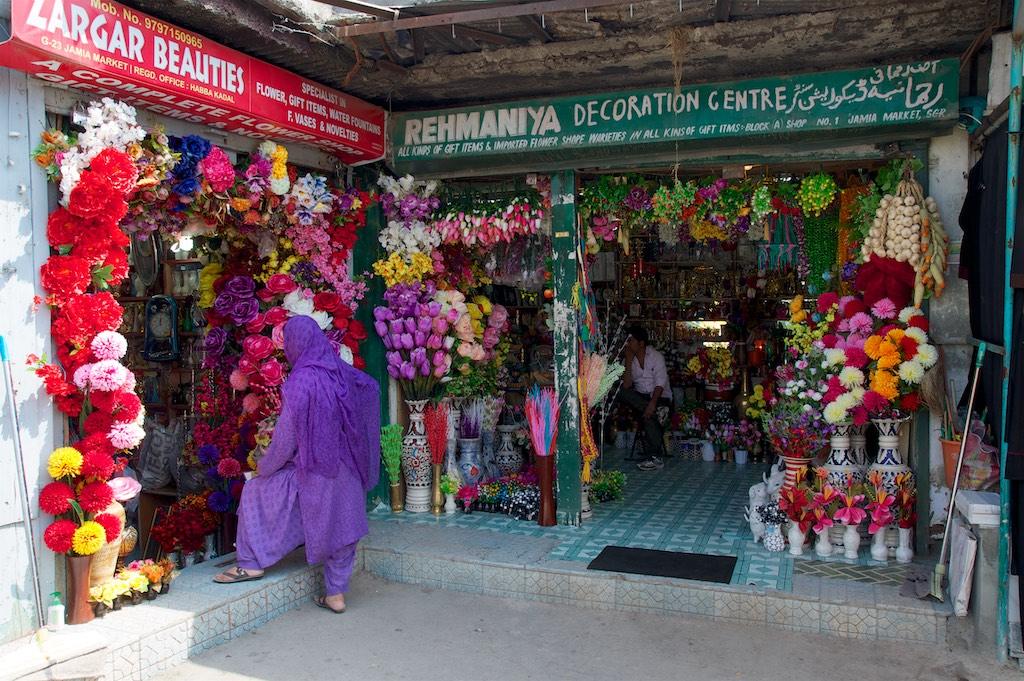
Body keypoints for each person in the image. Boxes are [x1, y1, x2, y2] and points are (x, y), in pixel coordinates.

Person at [214, 316, 380, 614]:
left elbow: (284, 442)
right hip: (349, 471)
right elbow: (371, 387)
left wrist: (263, 468)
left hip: (316, 473)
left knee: (254, 491)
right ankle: (336, 594)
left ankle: (250, 563)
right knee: (343, 523)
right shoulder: (341, 373)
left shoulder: (301, 381)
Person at [619, 324, 672, 471]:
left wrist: (652, 404)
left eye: (630, 340)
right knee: (620, 392)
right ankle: (655, 457)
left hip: (660, 398)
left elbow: (660, 384)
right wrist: (628, 360)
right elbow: (627, 385)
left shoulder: (656, 357)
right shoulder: (630, 359)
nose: (627, 344)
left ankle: (654, 457)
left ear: (641, 343)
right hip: (641, 399)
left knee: (648, 416)